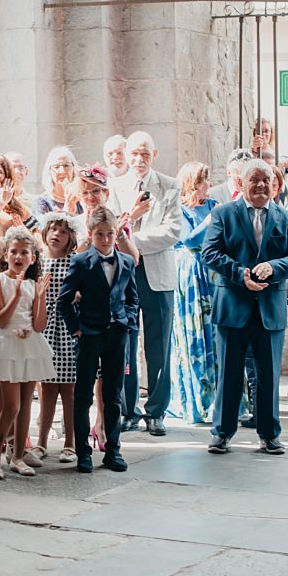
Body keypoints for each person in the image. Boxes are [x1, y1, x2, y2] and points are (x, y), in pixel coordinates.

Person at [201, 159, 288, 456]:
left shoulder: (287, 219)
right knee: (230, 373)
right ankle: (221, 433)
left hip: (269, 309)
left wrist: (273, 268)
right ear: (242, 184)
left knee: (269, 375)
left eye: (266, 180)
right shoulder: (223, 214)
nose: (261, 185)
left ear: (275, 185)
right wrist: (240, 274)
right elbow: (209, 253)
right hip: (232, 306)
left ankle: (270, 434)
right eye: (254, 180)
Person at [107, 131, 183, 437]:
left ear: (154, 155)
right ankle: (128, 409)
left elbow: (172, 231)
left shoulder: (168, 185)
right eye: (134, 154)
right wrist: (125, 242)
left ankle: (156, 410)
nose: (139, 160)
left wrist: (132, 242)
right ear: (126, 154)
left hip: (157, 274)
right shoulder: (115, 185)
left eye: (145, 154)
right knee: (125, 344)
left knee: (158, 345)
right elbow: (110, 226)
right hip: (125, 274)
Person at [59, 206, 139, 474]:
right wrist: (76, 329)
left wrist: (128, 321)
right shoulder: (81, 262)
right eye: (100, 234)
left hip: (117, 334)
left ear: (116, 234)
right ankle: (83, 451)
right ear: (91, 235)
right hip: (90, 334)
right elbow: (64, 300)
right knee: (83, 395)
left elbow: (132, 297)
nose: (105, 239)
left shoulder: (126, 261)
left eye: (110, 234)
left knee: (113, 395)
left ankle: (113, 449)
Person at [72, 164, 143, 437]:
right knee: (85, 374)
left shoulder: (115, 223)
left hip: (112, 312)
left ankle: (102, 425)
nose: (91, 196)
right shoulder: (76, 223)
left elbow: (133, 259)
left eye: (97, 191)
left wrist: (121, 234)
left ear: (106, 192)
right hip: (86, 309)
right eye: (86, 192)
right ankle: (80, 430)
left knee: (108, 376)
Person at [0, 227, 55, 479]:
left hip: (29, 345)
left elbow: (39, 325)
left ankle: (18, 456)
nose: (19, 256)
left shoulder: (34, 284)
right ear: (6, 255)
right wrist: (17, 295)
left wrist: (40, 297)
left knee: (24, 406)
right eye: (14, 252)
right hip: (5, 345)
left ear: (32, 258)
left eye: (25, 252)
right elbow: (0, 321)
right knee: (10, 406)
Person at [168, 162, 218, 424]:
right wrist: (210, 221)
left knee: (215, 332)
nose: (209, 185)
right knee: (194, 333)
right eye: (205, 180)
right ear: (193, 183)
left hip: (212, 273)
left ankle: (218, 399)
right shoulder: (181, 210)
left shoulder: (213, 206)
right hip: (190, 274)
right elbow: (188, 240)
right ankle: (195, 401)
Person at [35, 213, 79, 463]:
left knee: (69, 389)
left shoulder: (75, 261)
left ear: (70, 236)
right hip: (45, 325)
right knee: (47, 387)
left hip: (67, 325)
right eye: (53, 229)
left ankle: (70, 442)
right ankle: (41, 441)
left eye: (63, 231)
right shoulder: (39, 262)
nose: (56, 235)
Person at [0, 153, 35, 230]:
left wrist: (25, 234)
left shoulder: (18, 208)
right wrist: (1, 202)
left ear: (8, 179)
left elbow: (39, 238)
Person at [32, 146, 81, 216]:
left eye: (66, 165)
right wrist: (66, 211)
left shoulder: (82, 199)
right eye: (56, 167)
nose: (62, 171)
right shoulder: (41, 202)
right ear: (49, 171)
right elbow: (43, 226)